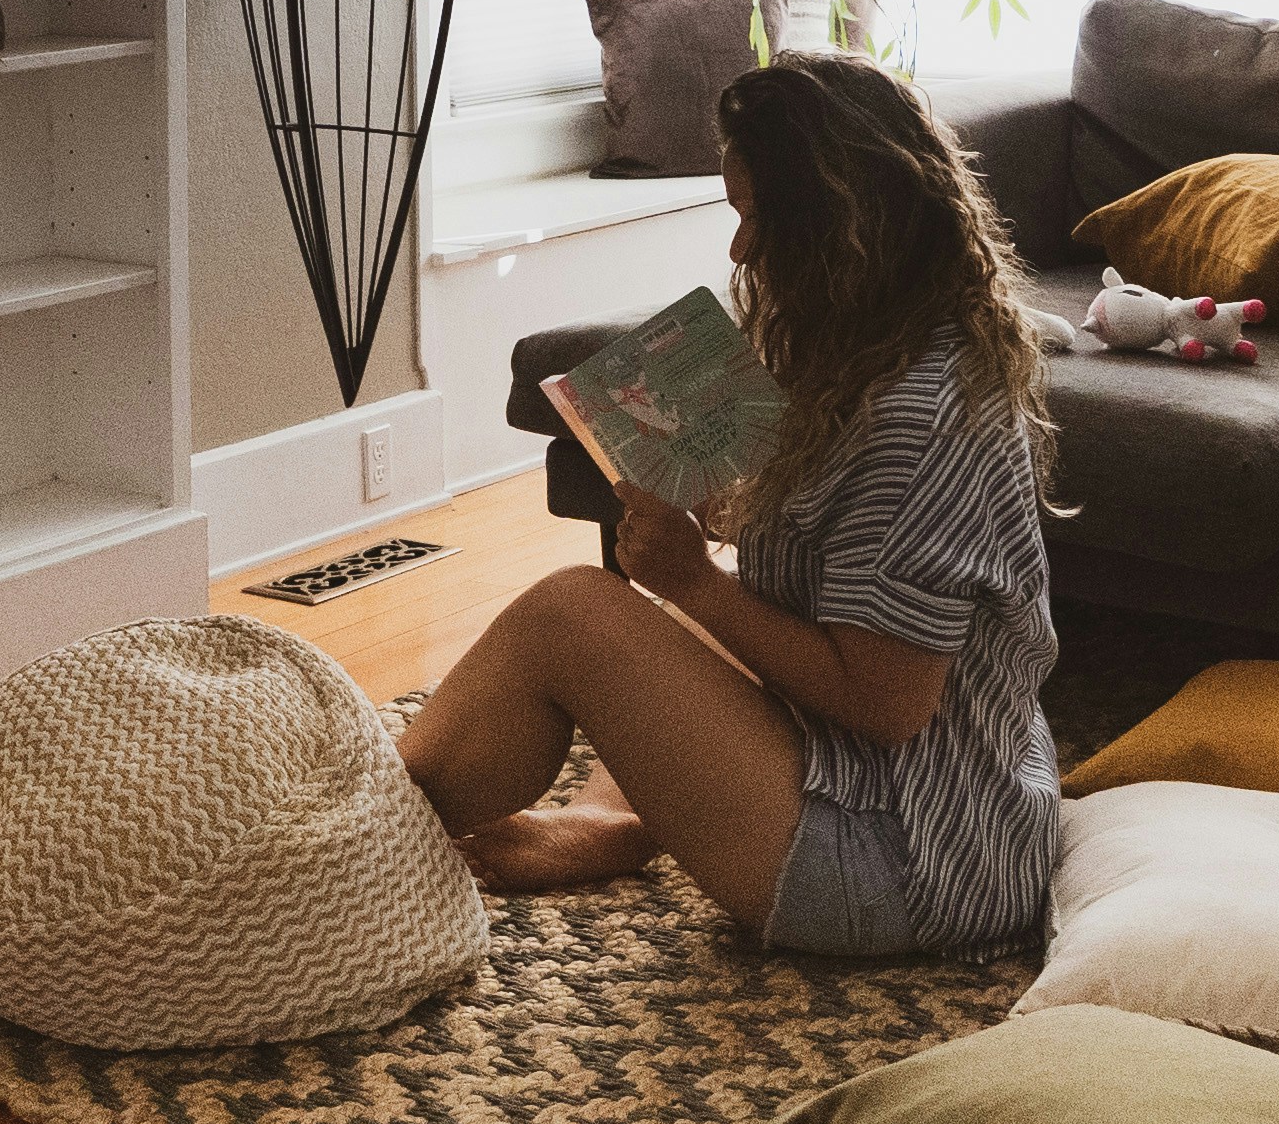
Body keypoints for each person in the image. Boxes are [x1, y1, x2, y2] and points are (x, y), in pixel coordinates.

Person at [394, 53, 1064, 958]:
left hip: (907, 864)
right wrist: (741, 511)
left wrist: (695, 582)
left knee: (571, 613)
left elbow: (888, 704)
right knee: (659, 626)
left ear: (842, 226)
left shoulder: (916, 417)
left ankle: (358, 825)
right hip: (938, 801)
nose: (740, 249)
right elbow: (847, 582)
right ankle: (612, 819)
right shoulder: (889, 343)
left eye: (757, 219)